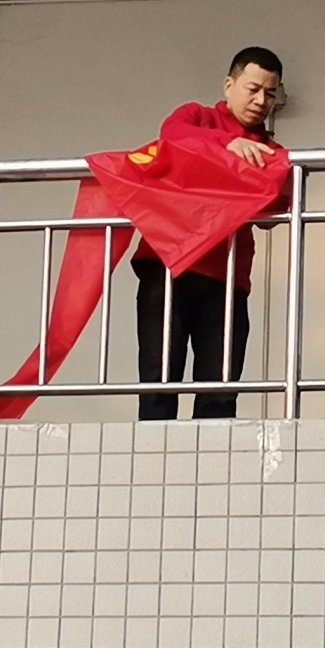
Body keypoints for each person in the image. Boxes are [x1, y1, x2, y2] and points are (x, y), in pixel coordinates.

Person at [134, 47, 285, 420]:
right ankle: (153, 457)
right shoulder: (197, 117)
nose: (261, 101)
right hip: (169, 263)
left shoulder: (271, 149)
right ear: (229, 85)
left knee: (220, 393)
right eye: (253, 89)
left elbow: (272, 213)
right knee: (158, 384)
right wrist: (228, 145)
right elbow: (172, 135)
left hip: (227, 277)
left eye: (270, 93)